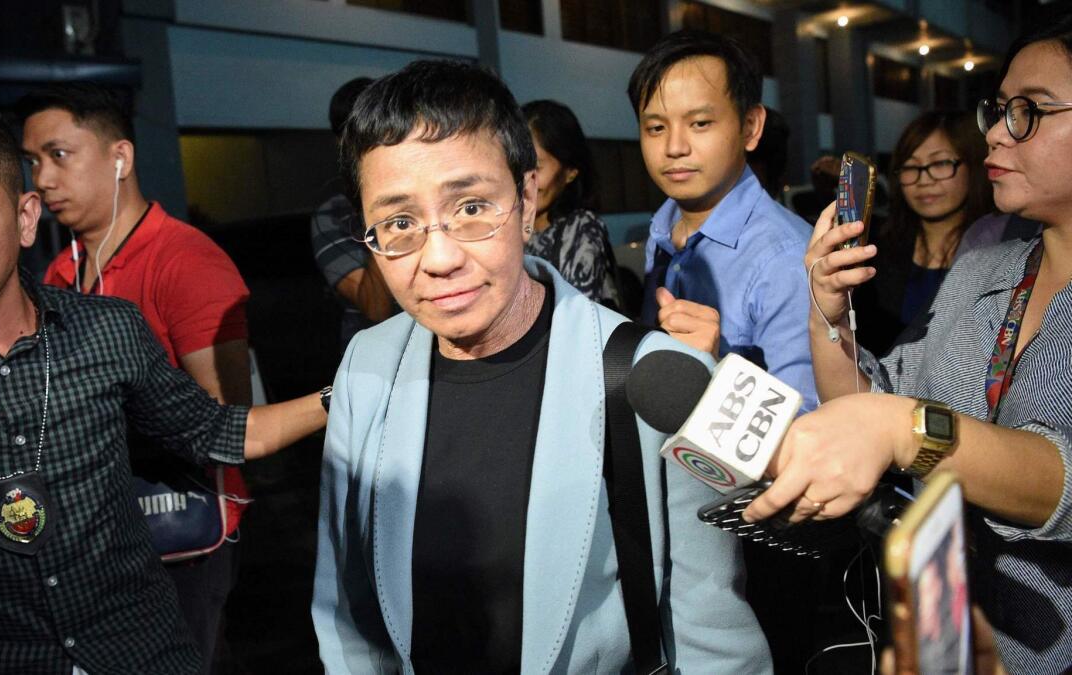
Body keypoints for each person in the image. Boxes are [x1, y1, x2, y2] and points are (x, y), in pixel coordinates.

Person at [310, 60, 770, 674]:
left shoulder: (657, 378)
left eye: (472, 207)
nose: (439, 256)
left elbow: (713, 638)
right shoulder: (365, 368)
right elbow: (345, 606)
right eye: (399, 223)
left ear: (527, 198)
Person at [0, 79, 325, 673]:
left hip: (143, 650)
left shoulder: (109, 328)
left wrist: (352, 389)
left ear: (24, 216)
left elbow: (219, 428)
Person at [744, 17, 1072, 674]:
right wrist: (827, 317)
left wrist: (901, 428)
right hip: (935, 636)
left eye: (1029, 112)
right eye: (999, 110)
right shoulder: (986, 272)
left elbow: (1060, 474)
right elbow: (871, 397)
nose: (997, 133)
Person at [18, 83, 263, 674]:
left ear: (120, 157)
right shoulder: (59, 271)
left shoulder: (185, 260)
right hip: (103, 537)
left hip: (183, 527)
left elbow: (225, 413)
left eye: (59, 155)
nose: (43, 181)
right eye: (32, 163)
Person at [631, 30, 819, 412]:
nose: (674, 147)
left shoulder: (788, 259)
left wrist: (718, 372)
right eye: (656, 127)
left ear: (750, 127)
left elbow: (808, 421)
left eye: (700, 123)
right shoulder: (664, 229)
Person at [854, 111, 994, 356]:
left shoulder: (1000, 251)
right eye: (910, 167)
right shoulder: (874, 251)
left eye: (940, 163)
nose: (924, 179)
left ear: (972, 165)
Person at [310, 77, 395, 353]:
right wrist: (379, 211)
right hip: (378, 360)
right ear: (342, 144)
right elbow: (375, 308)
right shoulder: (332, 217)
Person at [520, 99, 623, 309]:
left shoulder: (582, 228)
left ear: (570, 172)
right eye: (517, 164)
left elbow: (575, 318)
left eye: (537, 167)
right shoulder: (506, 226)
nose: (524, 180)